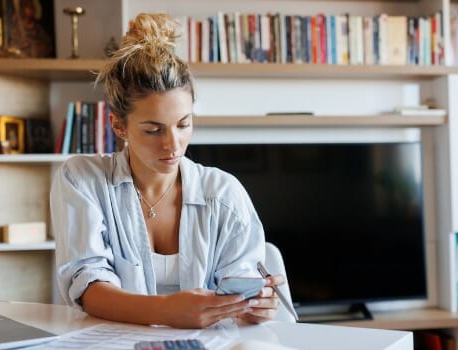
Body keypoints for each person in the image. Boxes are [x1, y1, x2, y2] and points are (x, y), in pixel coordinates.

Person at [51, 13, 285, 329]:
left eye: (183, 124)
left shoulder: (224, 192)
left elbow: (242, 288)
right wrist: (164, 311)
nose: (172, 144)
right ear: (118, 125)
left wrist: (256, 307)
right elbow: (86, 284)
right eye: (153, 129)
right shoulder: (82, 179)